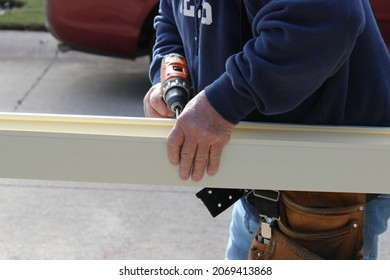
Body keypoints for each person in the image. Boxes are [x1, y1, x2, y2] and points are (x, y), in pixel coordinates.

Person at [144, 0, 390, 259]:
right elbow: (171, 15)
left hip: (325, 189)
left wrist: (220, 104)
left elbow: (331, 18)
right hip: (261, 180)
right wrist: (170, 78)